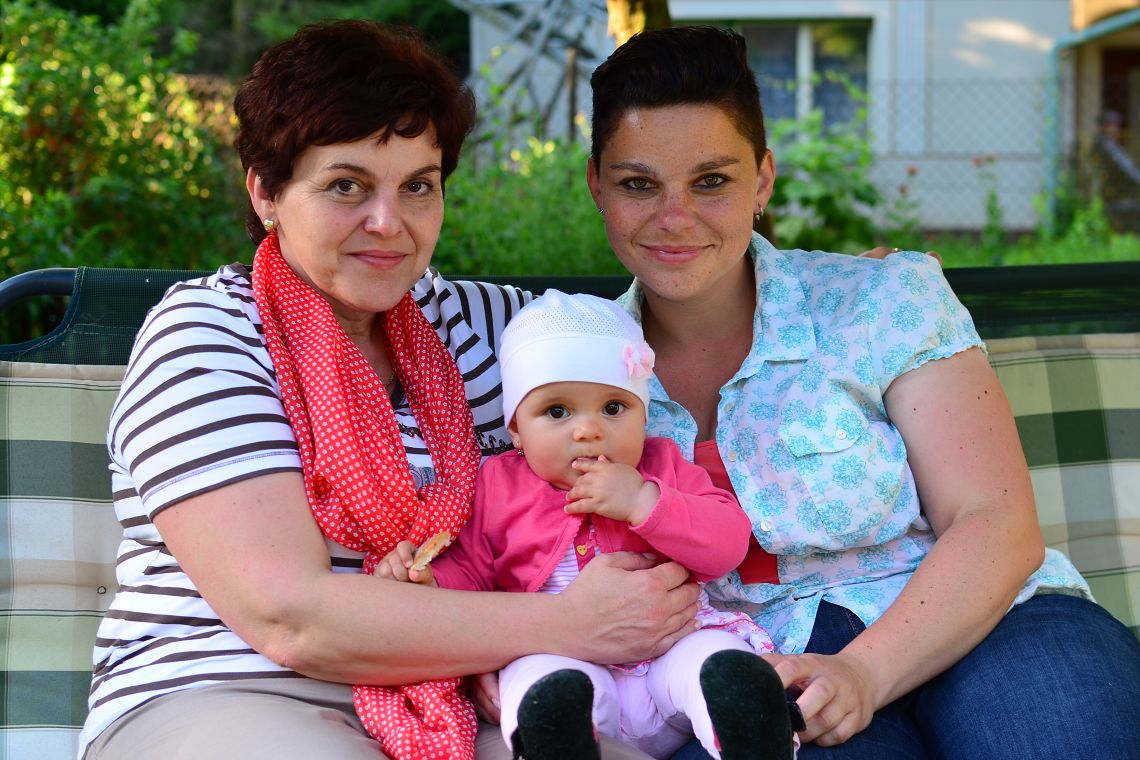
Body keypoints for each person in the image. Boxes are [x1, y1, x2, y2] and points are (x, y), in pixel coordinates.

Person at [78, 20, 703, 760]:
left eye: (417, 187)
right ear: (266, 192)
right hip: (231, 690)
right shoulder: (207, 334)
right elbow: (290, 618)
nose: (388, 223)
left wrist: (826, 288)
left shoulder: (493, 330)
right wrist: (569, 625)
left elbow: (687, 335)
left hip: (468, 696)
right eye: (346, 186)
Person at [570, 25, 1140, 759]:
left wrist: (865, 671)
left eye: (711, 181)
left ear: (763, 180)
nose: (675, 217)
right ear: (597, 186)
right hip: (763, 664)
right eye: (638, 184)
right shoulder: (572, 368)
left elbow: (994, 520)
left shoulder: (880, 300)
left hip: (991, 620)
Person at [379, 290, 798, 760]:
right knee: (538, 680)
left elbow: (728, 544)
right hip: (564, 654)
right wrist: (430, 581)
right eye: (557, 411)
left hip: (668, 649)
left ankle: (746, 724)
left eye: (614, 408)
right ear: (516, 429)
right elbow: (474, 573)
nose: (588, 430)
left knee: (714, 657)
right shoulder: (498, 484)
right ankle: (558, 734)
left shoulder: (661, 467)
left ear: (643, 415)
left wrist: (645, 501)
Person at [1088, 109, 1140, 232]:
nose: (1116, 128)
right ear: (1103, 126)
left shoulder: (1108, 144)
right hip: (1119, 196)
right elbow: (1127, 171)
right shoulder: (1105, 147)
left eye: (1117, 125)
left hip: (1120, 192)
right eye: (1112, 125)